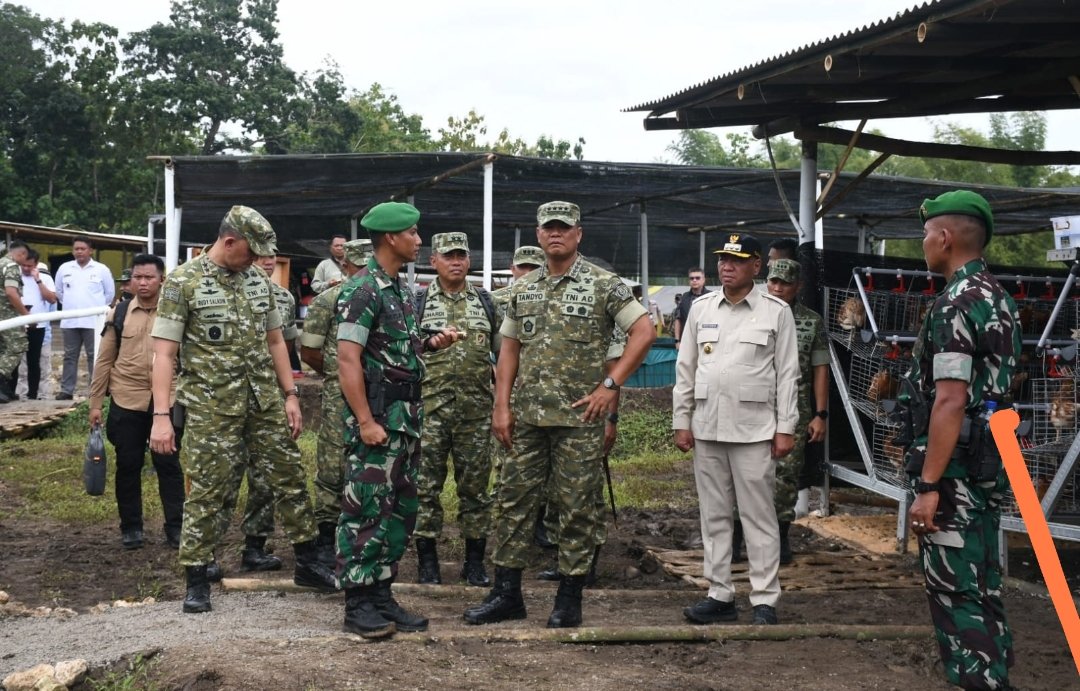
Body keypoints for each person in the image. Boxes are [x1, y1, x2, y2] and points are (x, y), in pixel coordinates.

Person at [463, 200, 654, 629]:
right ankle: (506, 593)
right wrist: (501, 405)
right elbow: (509, 349)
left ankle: (569, 598)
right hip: (527, 419)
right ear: (538, 234)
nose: (556, 234)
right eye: (548, 228)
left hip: (578, 420)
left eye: (564, 228)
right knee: (512, 504)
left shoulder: (604, 285)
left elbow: (644, 331)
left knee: (576, 507)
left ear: (578, 234)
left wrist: (610, 385)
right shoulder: (525, 288)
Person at [149, 205, 337, 614]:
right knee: (208, 490)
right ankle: (197, 576)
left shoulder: (257, 281)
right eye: (251, 253)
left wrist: (291, 395)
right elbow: (164, 354)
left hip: (264, 402)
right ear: (229, 241)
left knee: (288, 478)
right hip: (212, 407)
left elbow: (275, 342)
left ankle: (308, 562)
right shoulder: (184, 282)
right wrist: (161, 417)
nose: (257, 262)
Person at [902, 190, 1018, 690]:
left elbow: (949, 400)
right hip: (987, 464)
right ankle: (996, 675)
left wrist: (929, 485)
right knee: (985, 583)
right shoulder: (997, 295)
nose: (923, 242)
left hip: (954, 473)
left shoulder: (955, 303)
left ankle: (980, 682)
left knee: (954, 590)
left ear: (945, 238)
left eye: (927, 234)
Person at [335, 201, 456, 639]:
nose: (419, 241)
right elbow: (347, 360)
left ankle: (381, 593)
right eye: (413, 233)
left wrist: (431, 343)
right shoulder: (363, 289)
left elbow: (395, 348)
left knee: (399, 512)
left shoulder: (399, 289)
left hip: (405, 422)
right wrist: (365, 420)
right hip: (379, 423)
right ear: (391, 237)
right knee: (365, 509)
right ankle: (357, 603)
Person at [672, 233, 799, 627]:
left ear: (757, 266)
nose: (726, 266)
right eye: (723, 259)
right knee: (714, 516)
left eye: (737, 260)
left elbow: (788, 375)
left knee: (758, 516)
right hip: (708, 426)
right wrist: (681, 419)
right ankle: (719, 593)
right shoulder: (701, 308)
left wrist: (785, 428)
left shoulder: (776, 311)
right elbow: (686, 369)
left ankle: (764, 598)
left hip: (754, 430)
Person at [413, 232, 499, 587]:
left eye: (461, 255)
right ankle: (427, 561)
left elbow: (504, 353)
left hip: (475, 414)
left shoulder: (486, 301)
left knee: (476, 490)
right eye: (448, 255)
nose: (456, 261)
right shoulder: (415, 301)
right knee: (425, 488)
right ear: (433, 261)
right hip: (429, 412)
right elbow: (403, 352)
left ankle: (474, 563)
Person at [89, 254, 185, 551]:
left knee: (169, 466)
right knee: (128, 465)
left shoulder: (176, 314)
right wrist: (94, 404)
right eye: (137, 277)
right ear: (130, 280)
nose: (142, 283)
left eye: (149, 277)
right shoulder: (118, 314)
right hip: (126, 400)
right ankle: (131, 527)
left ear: (161, 280)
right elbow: (104, 360)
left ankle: (177, 528)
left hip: (167, 401)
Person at [226, 251, 307, 573]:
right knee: (224, 476)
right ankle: (206, 553)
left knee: (265, 478)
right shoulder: (224, 290)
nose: (268, 261)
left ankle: (255, 546)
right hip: (227, 398)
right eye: (261, 256)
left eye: (273, 256)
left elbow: (285, 347)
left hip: (269, 397)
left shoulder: (284, 299)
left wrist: (288, 393)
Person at [299, 238, 372, 565]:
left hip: (378, 396)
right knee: (331, 467)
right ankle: (326, 540)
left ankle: (366, 538)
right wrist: (339, 374)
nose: (363, 273)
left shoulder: (385, 297)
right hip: (337, 401)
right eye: (358, 267)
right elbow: (310, 352)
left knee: (373, 466)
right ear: (345, 266)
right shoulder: (328, 300)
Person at [763, 259, 829, 563]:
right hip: (755, 406)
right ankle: (737, 539)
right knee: (744, 474)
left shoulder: (811, 321)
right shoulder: (752, 316)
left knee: (787, 475)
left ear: (797, 287)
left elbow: (820, 369)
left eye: (785, 283)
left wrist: (820, 413)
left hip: (797, 410)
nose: (778, 288)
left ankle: (781, 538)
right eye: (774, 281)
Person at [55, 235, 115, 400]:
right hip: (70, 321)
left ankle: (94, 391)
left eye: (83, 249)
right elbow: (59, 293)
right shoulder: (64, 268)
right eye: (76, 249)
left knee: (94, 356)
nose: (79, 252)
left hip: (93, 322)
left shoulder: (101, 269)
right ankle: (66, 391)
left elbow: (109, 295)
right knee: (69, 356)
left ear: (90, 250)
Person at [15, 249, 57, 401]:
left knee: (36, 362)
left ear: (36, 264)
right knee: (18, 364)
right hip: (17, 326)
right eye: (24, 265)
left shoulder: (44, 277)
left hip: (38, 326)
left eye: (29, 266)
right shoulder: (14, 275)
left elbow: (52, 299)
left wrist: (38, 280)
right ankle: (18, 394)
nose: (26, 268)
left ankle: (35, 394)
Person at [0, 240, 31, 403]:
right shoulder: (11, 267)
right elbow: (11, 293)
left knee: (2, 349)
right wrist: (26, 315)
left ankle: (4, 388)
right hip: (6, 315)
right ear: (22, 254)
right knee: (18, 346)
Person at [673, 267, 710, 345]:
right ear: (689, 281)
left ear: (703, 280)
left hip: (707, 341)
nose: (694, 280)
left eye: (697, 278)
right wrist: (677, 341)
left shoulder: (711, 297)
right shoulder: (683, 298)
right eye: (691, 278)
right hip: (686, 341)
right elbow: (678, 319)